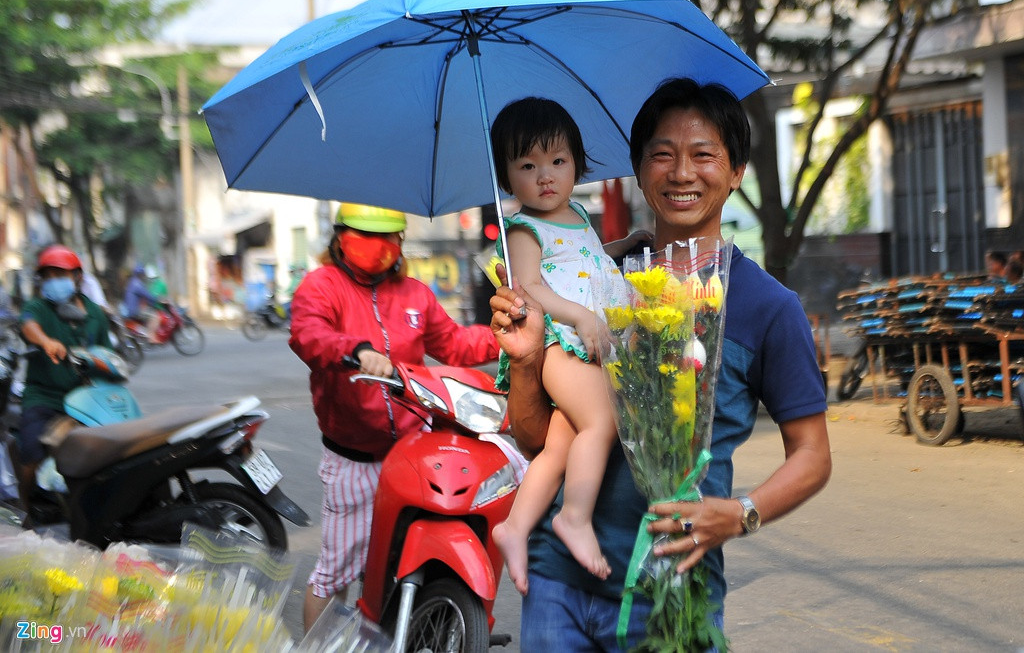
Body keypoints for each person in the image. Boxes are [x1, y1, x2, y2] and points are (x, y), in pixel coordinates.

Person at [490, 78, 832, 649]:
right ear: (638, 168)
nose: (681, 173)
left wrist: (741, 513)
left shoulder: (767, 306)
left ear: (737, 170)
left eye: (703, 155)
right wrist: (526, 365)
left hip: (674, 594)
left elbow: (814, 455)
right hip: (556, 584)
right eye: (662, 155)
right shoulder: (594, 281)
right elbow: (534, 441)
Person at [289, 203, 502, 632]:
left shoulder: (415, 294)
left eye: (389, 238)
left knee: (408, 553)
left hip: (413, 452)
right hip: (353, 459)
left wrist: (503, 336)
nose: (379, 247)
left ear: (401, 242)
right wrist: (357, 352)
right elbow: (309, 334)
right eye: (367, 236)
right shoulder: (321, 286)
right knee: (336, 572)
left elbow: (456, 345)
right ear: (341, 237)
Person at [487, 97, 648, 594]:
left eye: (557, 161)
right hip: (559, 344)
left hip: (586, 342)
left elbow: (589, 263)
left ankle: (514, 527)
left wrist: (627, 258)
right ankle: (574, 518)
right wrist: (581, 317)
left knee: (561, 442)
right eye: (527, 165)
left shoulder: (576, 211)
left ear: (577, 161)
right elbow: (532, 287)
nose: (545, 176)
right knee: (604, 420)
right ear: (506, 176)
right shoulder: (522, 230)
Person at [15, 244, 112, 514]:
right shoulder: (39, 307)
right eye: (48, 276)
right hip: (45, 396)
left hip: (87, 398)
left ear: (78, 278)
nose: (53, 281)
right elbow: (28, 324)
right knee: (31, 449)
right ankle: (24, 507)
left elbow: (108, 354)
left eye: (60, 275)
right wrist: (46, 341)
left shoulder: (94, 314)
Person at [123, 264, 162, 342]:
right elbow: (147, 295)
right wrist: (156, 300)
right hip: (134, 311)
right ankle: (151, 337)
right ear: (141, 274)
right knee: (156, 317)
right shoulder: (137, 284)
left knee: (147, 312)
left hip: (129, 310)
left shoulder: (132, 282)